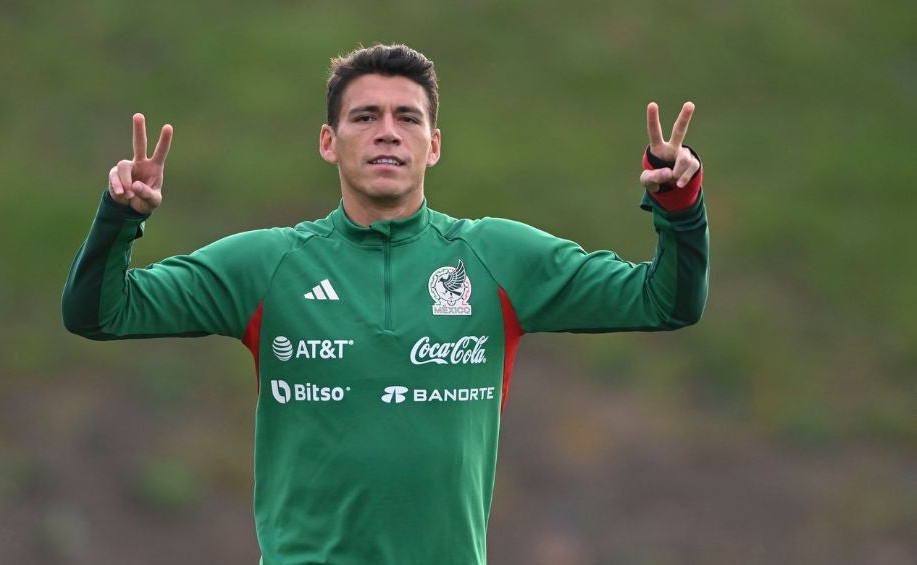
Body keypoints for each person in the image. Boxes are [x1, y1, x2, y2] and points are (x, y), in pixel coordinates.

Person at [63, 43, 708, 565]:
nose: (387, 134)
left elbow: (666, 301)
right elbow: (99, 313)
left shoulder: (496, 258)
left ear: (433, 145)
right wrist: (120, 219)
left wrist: (679, 206)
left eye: (408, 118)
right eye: (364, 117)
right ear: (328, 141)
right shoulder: (268, 265)